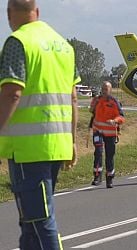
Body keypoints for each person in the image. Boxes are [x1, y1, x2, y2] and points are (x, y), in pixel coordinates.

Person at [0, 0, 81, 249]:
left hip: (29, 150)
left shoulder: (18, 42)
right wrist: (73, 141)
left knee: (41, 221)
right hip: (57, 145)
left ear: (9, 14)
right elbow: (73, 96)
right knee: (30, 223)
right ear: (37, 11)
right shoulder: (64, 46)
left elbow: (12, 93)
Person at [90, 81, 125, 188]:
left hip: (110, 133)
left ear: (110, 90)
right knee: (98, 152)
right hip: (98, 131)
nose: (104, 91)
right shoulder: (97, 100)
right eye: (103, 88)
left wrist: (114, 121)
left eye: (106, 89)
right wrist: (93, 104)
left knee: (110, 155)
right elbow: (91, 110)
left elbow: (122, 117)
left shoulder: (115, 102)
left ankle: (109, 178)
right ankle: (97, 176)